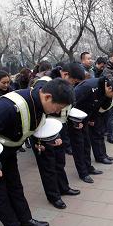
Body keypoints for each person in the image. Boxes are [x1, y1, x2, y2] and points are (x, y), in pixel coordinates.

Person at [0, 78, 74, 226]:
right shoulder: (8, 107)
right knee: (0, 196)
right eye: (57, 108)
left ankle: (26, 220)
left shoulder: (40, 103)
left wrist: (50, 139)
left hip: (10, 152)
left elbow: (31, 127)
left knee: (16, 187)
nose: (57, 111)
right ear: (48, 97)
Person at [30, 63, 84, 209]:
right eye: (73, 82)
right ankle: (53, 196)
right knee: (48, 165)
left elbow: (66, 108)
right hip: (43, 131)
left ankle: (63, 187)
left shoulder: (63, 86)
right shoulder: (43, 84)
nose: (73, 85)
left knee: (60, 161)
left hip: (60, 127)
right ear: (65, 75)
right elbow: (38, 111)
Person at [70, 78, 113, 183]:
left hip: (85, 118)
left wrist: (92, 119)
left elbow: (96, 106)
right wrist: (74, 122)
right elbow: (72, 104)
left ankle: (88, 167)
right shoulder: (88, 87)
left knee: (86, 144)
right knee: (79, 146)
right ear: (110, 88)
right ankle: (83, 173)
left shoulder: (104, 90)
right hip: (75, 119)